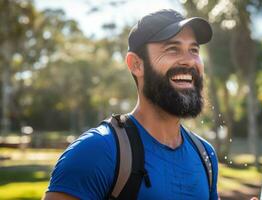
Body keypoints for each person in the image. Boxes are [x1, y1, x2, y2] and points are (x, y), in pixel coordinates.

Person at [43, 9, 219, 200]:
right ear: (136, 64)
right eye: (172, 49)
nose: (189, 61)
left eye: (194, 50)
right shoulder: (95, 152)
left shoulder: (206, 156)